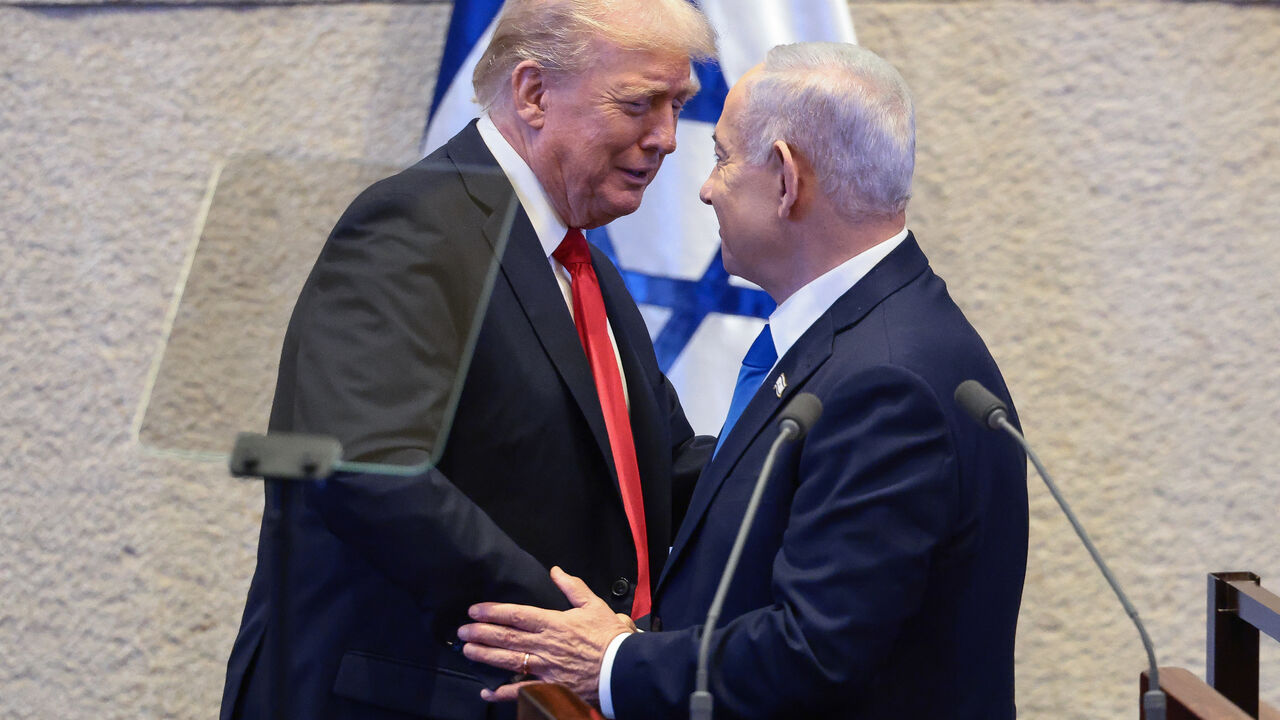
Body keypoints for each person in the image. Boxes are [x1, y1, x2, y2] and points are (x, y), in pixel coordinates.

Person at [458, 42, 1029, 719]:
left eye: (724, 158)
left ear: (787, 180)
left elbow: (814, 650)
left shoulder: (888, 380)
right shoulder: (861, 337)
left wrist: (612, 660)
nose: (705, 186)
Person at [220, 1, 718, 718]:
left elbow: (657, 467)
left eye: (679, 106)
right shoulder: (414, 224)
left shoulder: (585, 269)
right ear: (534, 93)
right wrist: (571, 630)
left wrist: (812, 477)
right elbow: (365, 463)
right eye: (639, 104)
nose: (668, 138)